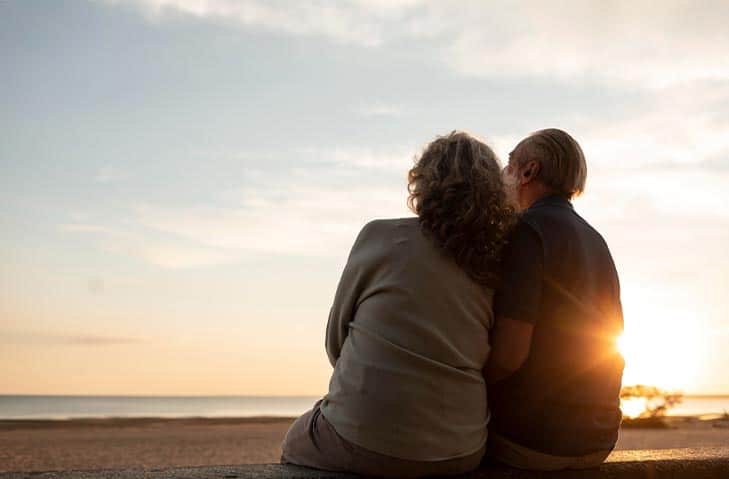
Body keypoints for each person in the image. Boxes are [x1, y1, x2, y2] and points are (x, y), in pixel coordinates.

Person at [281, 131, 515, 478]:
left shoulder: (379, 237)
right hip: (460, 449)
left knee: (294, 442)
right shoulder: (494, 261)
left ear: (423, 184)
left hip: (361, 437)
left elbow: (335, 345)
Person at [483, 128, 625, 470]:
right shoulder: (595, 239)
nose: (502, 175)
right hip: (599, 437)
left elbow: (509, 356)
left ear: (528, 171)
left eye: (508, 164)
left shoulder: (526, 232)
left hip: (537, 440)